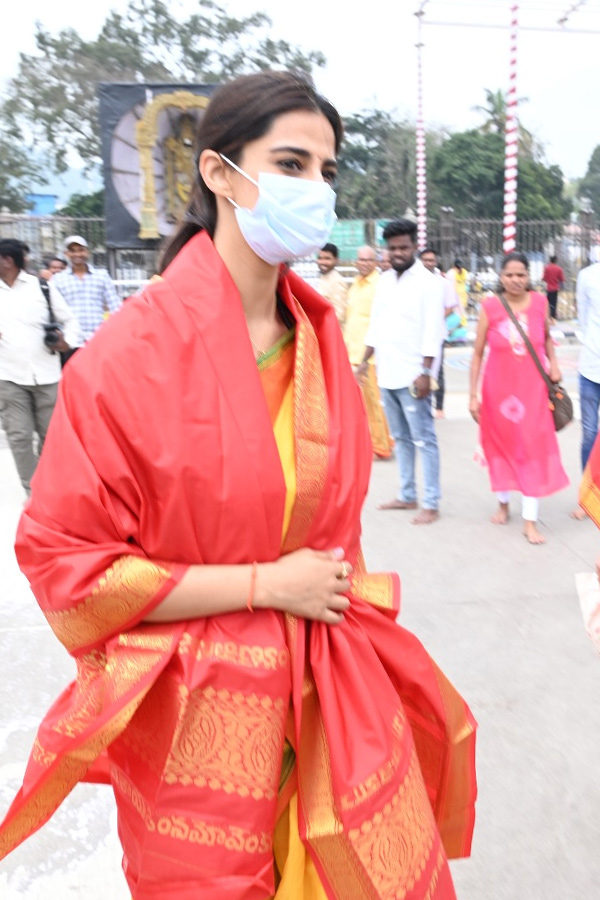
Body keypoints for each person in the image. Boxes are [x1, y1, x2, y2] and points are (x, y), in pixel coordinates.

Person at [0, 71, 477, 900]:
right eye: (290, 164)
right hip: (198, 717)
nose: (317, 191)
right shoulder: (125, 360)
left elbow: (332, 534)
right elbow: (65, 566)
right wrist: (266, 584)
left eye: (327, 172)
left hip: (328, 687)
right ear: (221, 174)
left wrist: (312, 599)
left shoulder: (320, 334)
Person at [469, 251, 569, 544]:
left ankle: (530, 521)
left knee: (531, 450)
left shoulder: (539, 303)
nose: (515, 280)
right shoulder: (490, 306)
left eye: (521, 275)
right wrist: (473, 395)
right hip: (497, 392)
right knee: (500, 447)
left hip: (533, 392)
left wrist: (555, 364)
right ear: (501, 277)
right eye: (510, 275)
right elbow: (476, 354)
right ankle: (503, 504)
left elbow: (547, 338)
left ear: (529, 277)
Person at [358, 220, 444, 524]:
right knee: (401, 438)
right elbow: (376, 324)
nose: (397, 253)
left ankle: (431, 502)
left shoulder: (430, 283)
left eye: (403, 247)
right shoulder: (384, 280)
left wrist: (425, 372)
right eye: (392, 248)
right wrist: (363, 362)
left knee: (424, 439)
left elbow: (434, 331)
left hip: (413, 376)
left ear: (414, 247)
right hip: (387, 372)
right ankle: (407, 495)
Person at [0, 239, 80, 496]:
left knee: (52, 438)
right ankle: (33, 493)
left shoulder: (42, 286)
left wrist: (65, 342)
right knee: (19, 437)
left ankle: (50, 488)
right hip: (8, 376)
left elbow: (69, 320)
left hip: (47, 375)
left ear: (7, 260)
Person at [344, 245, 394, 459]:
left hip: (370, 356)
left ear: (375, 262)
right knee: (358, 405)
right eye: (360, 259)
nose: (363, 263)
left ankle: (382, 446)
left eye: (368, 260)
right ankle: (371, 442)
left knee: (374, 403)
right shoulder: (355, 284)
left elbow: (384, 322)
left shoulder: (381, 285)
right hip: (351, 352)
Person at [50, 235, 121, 350]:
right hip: (70, 340)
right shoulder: (58, 279)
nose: (77, 254)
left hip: (98, 338)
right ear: (67, 254)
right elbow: (55, 310)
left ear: (87, 252)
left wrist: (116, 332)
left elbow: (115, 306)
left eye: (81, 250)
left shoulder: (101, 275)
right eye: (72, 251)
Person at [420, 247, 465, 419]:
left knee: (437, 371)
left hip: (437, 332)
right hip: (417, 333)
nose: (428, 263)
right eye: (425, 260)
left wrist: (434, 317)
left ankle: (439, 407)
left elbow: (451, 307)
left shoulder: (444, 283)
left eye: (431, 260)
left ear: (436, 262)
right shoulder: (413, 282)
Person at [572, 261, 600, 519]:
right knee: (590, 436)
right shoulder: (587, 276)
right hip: (591, 368)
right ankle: (586, 499)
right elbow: (582, 318)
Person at [315, 241, 348, 324]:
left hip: (330, 331)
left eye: (327, 258)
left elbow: (339, 315)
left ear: (336, 260)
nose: (322, 262)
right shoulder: (324, 278)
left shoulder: (337, 282)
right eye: (320, 258)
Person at [542, 254, 564, 322]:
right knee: (554, 303)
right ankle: (553, 316)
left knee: (548, 302)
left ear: (550, 260)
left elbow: (544, 278)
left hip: (549, 288)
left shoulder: (547, 268)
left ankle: (548, 315)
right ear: (556, 261)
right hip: (555, 288)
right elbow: (562, 279)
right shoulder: (559, 269)